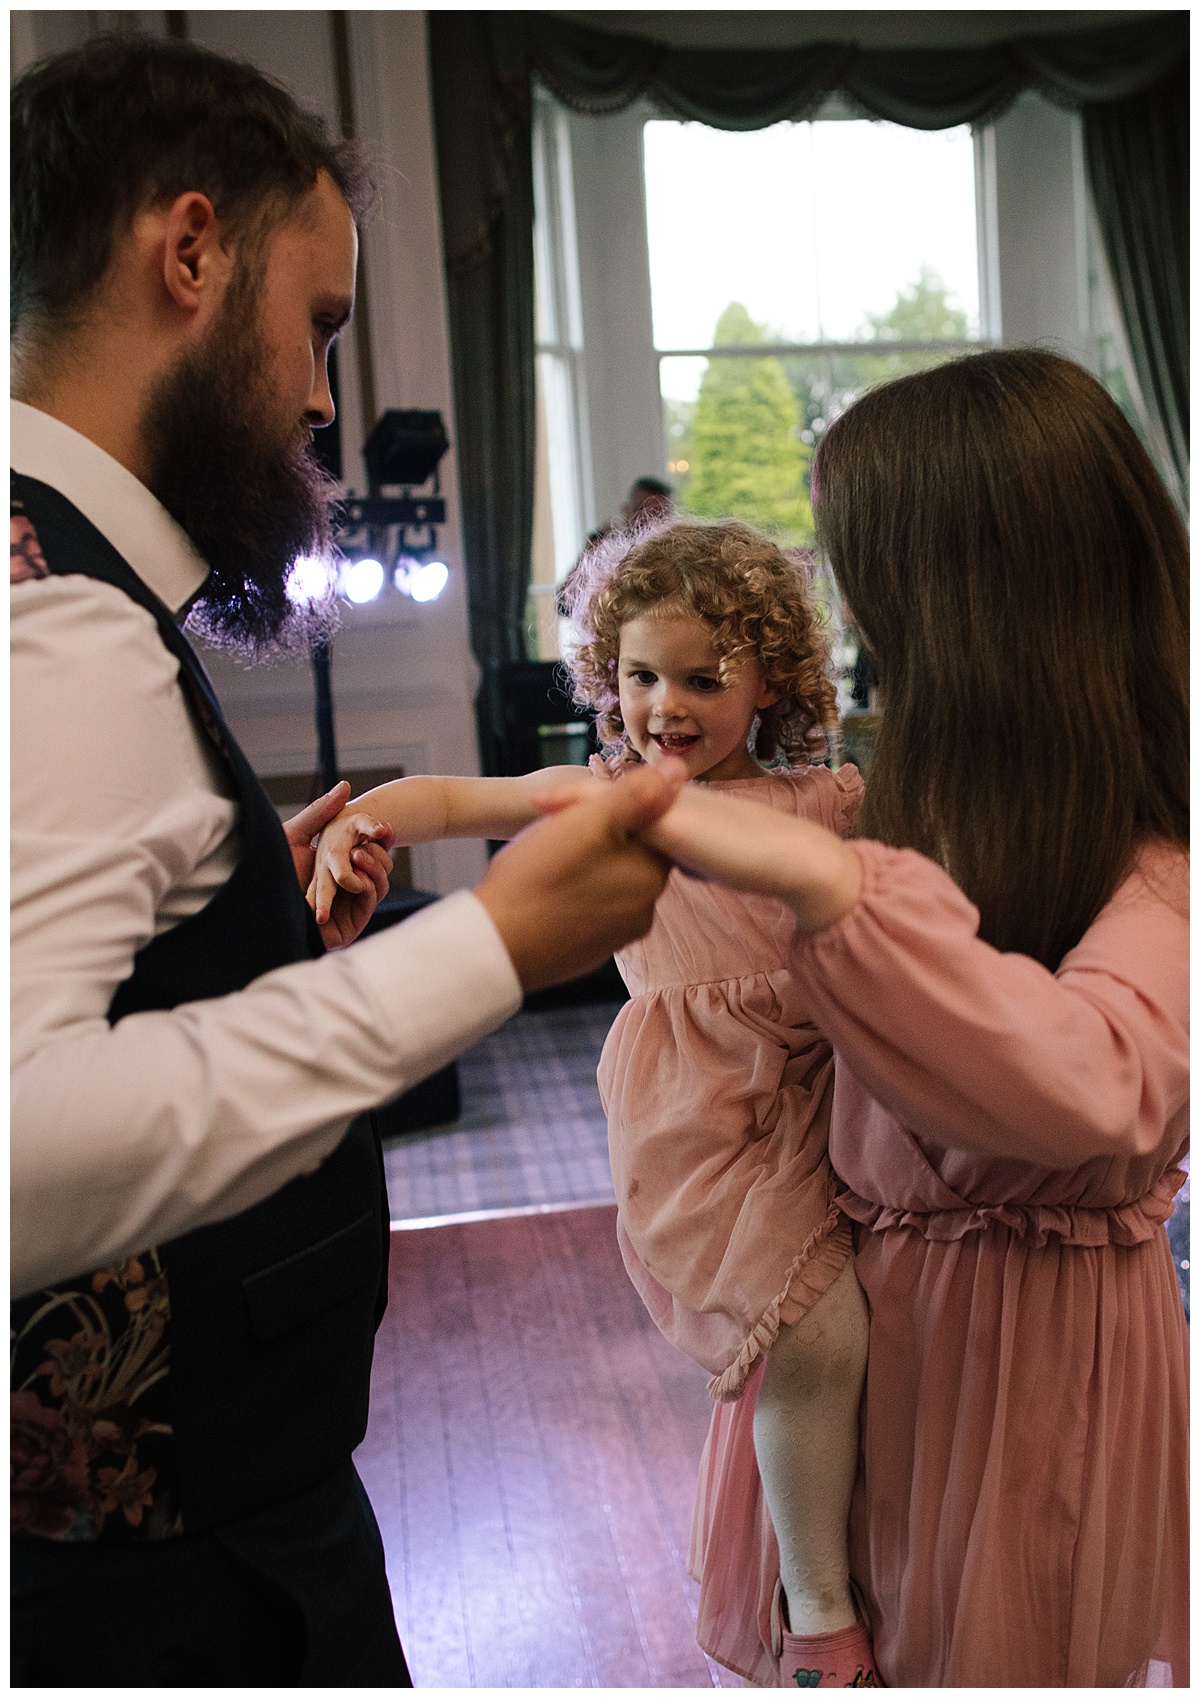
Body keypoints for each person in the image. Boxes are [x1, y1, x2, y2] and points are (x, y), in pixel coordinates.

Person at [10, 36, 682, 1687]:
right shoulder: (58, 621)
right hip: (165, 1588)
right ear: (189, 252)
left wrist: (256, 933)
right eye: (317, 325)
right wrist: (488, 947)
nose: (323, 399)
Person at [629, 350, 1189, 1687]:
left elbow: (1095, 1081)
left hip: (1024, 1374)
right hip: (878, 1321)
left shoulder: (1157, 864)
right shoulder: (907, 806)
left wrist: (835, 898)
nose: (851, 616)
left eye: (864, 576)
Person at [310, 517, 881, 1687]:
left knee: (881, 1331)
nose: (664, 706)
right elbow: (452, 797)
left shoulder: (825, 801)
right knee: (815, 1334)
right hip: (701, 1122)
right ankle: (818, 1611)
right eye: (639, 675)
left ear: (771, 678)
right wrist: (358, 825)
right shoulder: (608, 795)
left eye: (703, 679)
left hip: (825, 1095)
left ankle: (859, 1561)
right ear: (605, 676)